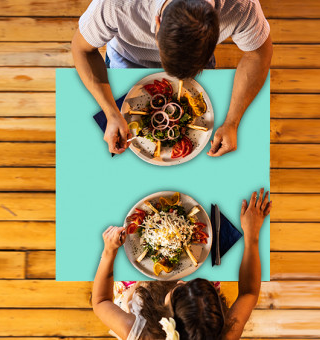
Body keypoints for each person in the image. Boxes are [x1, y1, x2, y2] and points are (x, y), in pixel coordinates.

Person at [72, 0, 273, 156]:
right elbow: (81, 49)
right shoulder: (115, 5)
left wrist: (232, 123)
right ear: (157, 23)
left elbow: (259, 54)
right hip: (126, 61)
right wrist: (111, 113)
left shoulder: (241, 6)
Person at [92, 188, 271, 339]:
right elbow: (249, 293)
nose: (181, 281)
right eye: (191, 283)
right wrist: (252, 235)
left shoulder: (142, 333)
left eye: (180, 289)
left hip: (139, 291)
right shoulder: (224, 334)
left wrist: (109, 252)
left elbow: (100, 302)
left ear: (167, 319)